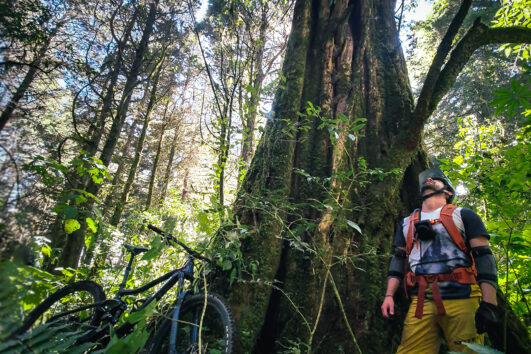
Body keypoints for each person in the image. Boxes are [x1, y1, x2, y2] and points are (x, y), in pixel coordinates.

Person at [381, 167, 499, 354]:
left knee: (467, 351)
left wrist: (489, 303)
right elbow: (398, 261)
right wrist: (389, 296)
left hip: (463, 297)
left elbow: (484, 257)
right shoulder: (406, 223)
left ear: (448, 191)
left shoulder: (464, 215)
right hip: (422, 300)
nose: (428, 179)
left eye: (435, 179)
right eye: (425, 179)